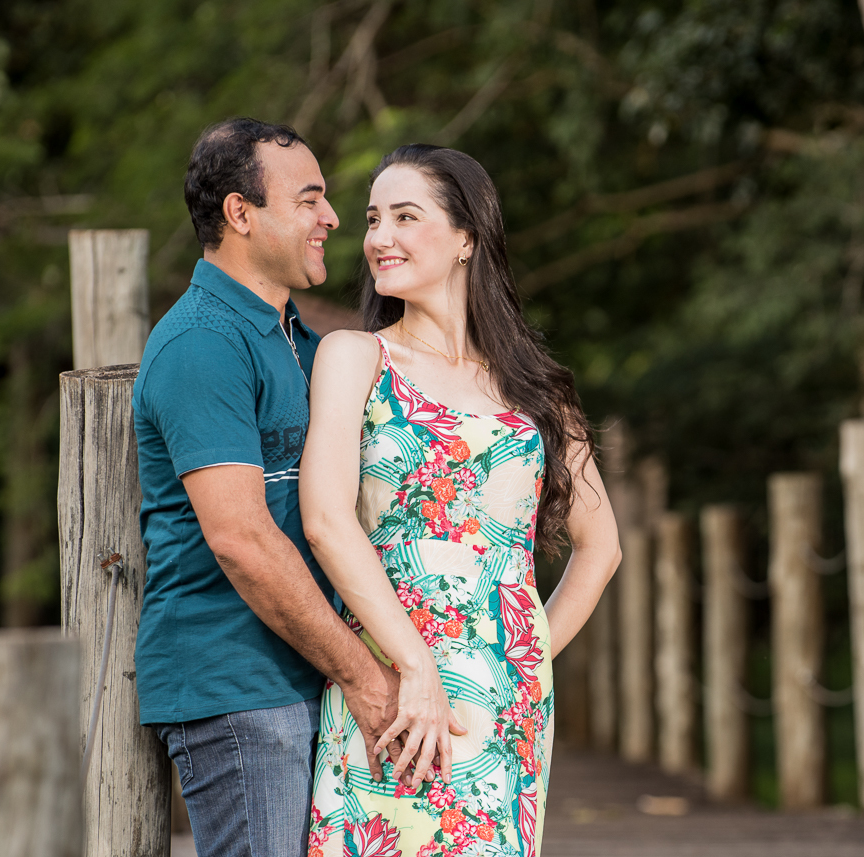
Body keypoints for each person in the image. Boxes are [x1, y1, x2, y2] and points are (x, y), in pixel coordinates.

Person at [302, 144, 621, 857]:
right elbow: (325, 521)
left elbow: (603, 548)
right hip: (389, 691)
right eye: (373, 218)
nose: (380, 237)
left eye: (405, 217)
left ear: (467, 237)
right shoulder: (355, 356)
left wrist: (523, 661)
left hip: (502, 705)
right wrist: (415, 667)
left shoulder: (539, 387)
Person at [132, 118, 405, 857]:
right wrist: (366, 677)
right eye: (310, 199)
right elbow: (243, 540)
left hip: (307, 677)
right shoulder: (201, 344)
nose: (333, 218)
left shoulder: (299, 340)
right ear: (240, 213)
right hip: (241, 690)